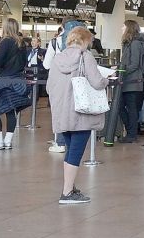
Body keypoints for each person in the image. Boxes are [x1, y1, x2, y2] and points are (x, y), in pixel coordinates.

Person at [47, 26, 114, 204]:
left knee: (71, 151)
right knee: (76, 152)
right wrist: (108, 80)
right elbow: (97, 81)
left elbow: (48, 86)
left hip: (62, 112)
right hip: (81, 112)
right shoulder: (85, 56)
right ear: (84, 41)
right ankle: (67, 193)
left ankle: (69, 187)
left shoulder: (58, 58)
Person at [0, 17, 29, 150]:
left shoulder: (6, 41)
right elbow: (25, 62)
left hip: (3, 82)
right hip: (18, 81)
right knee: (11, 111)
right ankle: (8, 141)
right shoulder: (22, 43)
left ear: (6, 28)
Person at [44, 20, 86, 153]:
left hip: (59, 81)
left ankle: (60, 142)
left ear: (62, 27)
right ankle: (72, 141)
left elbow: (46, 64)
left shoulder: (55, 42)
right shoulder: (82, 42)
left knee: (59, 111)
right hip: (77, 81)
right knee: (73, 111)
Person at [119, 20, 144, 143]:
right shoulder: (128, 43)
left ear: (129, 28)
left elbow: (134, 64)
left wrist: (120, 71)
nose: (121, 28)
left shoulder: (135, 44)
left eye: (123, 26)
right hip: (128, 80)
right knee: (122, 107)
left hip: (133, 81)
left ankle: (131, 134)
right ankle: (130, 131)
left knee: (131, 108)